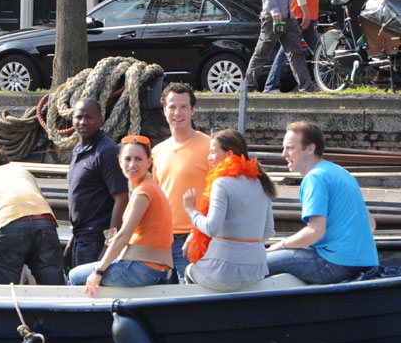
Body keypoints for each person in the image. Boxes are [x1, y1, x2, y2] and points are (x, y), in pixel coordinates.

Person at [265, 121, 378, 283]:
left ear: (310, 148)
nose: (284, 154)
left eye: (290, 148)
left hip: (334, 264)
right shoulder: (341, 172)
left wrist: (279, 246)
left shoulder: (314, 178)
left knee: (254, 264)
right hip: (366, 262)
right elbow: (371, 224)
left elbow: (315, 232)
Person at [68, 137, 174, 294]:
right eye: (128, 159)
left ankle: (91, 318)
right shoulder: (149, 186)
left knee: (75, 276)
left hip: (143, 269)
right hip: (156, 268)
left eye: (139, 159)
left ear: (149, 162)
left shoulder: (143, 192)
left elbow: (123, 236)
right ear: (119, 162)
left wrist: (98, 272)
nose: (132, 165)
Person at [181, 129, 274, 291]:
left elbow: (211, 227)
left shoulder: (221, 183)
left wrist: (190, 210)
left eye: (212, 152)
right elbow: (268, 230)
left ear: (229, 154)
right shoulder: (261, 182)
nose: (209, 158)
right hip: (256, 269)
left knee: (188, 271)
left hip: (223, 270)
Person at [0, 149, 64, 285]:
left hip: (9, 223)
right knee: (53, 285)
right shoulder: (21, 171)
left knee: (2, 289)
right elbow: (43, 201)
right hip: (44, 221)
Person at [151, 83, 210, 281]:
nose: (178, 112)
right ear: (164, 110)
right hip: (164, 239)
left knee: (192, 298)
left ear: (193, 110)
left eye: (184, 106)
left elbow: (219, 193)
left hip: (196, 238)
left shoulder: (209, 147)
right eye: (172, 107)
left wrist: (199, 232)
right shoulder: (157, 151)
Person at [66, 99, 129, 268]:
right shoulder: (79, 150)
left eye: (89, 117)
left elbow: (122, 199)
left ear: (100, 120)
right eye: (78, 117)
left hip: (96, 240)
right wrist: (71, 241)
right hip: (81, 237)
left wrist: (109, 245)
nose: (83, 122)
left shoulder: (106, 152)